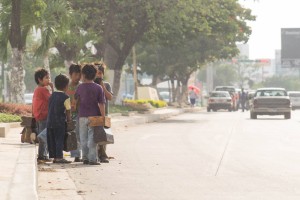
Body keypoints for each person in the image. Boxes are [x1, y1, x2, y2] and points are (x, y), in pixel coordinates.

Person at [75, 64, 106, 165]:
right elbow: (101, 104)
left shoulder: (79, 87)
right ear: (95, 75)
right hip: (94, 116)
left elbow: (76, 102)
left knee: (83, 138)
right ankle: (92, 159)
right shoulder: (98, 88)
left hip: (82, 116)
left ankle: (85, 157)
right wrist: (103, 117)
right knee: (92, 138)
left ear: (83, 75)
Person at [46, 74, 72, 164]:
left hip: (49, 122)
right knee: (59, 139)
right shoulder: (66, 97)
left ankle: (54, 157)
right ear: (66, 86)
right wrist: (69, 121)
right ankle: (59, 158)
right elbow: (68, 110)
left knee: (52, 140)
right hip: (60, 123)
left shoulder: (51, 96)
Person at [32, 68, 53, 162]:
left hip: (39, 116)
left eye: (49, 78)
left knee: (43, 135)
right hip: (43, 115)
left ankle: (43, 155)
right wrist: (52, 89)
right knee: (44, 136)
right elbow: (52, 99)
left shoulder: (37, 89)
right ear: (40, 80)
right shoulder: (42, 90)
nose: (49, 80)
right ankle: (42, 155)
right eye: (47, 78)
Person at [94, 62, 113, 163]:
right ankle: (96, 154)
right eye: (96, 73)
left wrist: (102, 86)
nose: (98, 75)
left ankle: (103, 154)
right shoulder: (90, 85)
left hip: (105, 114)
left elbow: (109, 97)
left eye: (100, 73)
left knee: (104, 135)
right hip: (93, 114)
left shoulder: (106, 85)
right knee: (94, 136)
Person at [66, 64, 82, 162]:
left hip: (80, 114)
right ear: (70, 74)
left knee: (79, 134)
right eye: (75, 74)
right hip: (69, 114)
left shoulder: (81, 86)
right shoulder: (66, 86)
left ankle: (77, 155)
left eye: (79, 74)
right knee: (72, 135)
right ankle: (75, 154)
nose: (77, 77)